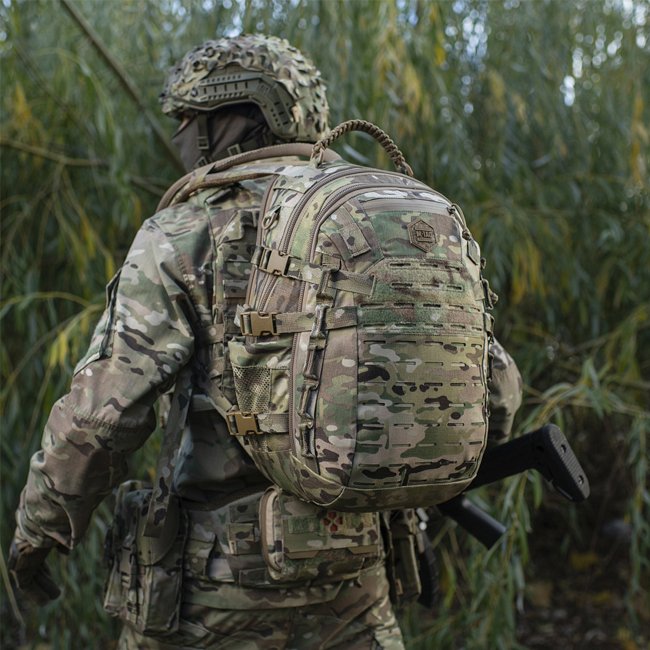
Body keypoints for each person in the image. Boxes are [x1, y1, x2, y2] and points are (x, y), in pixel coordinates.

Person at [9, 34, 522, 649]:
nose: (179, 136)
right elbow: (493, 389)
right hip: (357, 592)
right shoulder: (385, 220)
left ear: (226, 121)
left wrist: (39, 531)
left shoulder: (185, 231)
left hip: (212, 603)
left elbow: (100, 416)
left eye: (186, 119)